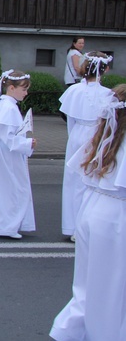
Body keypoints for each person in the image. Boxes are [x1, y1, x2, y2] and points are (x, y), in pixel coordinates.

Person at [50, 84, 126, 341]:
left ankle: (71, 332)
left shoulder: (104, 137)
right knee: (113, 291)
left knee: (88, 286)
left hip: (93, 210)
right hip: (116, 217)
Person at [58, 51, 113, 241]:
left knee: (73, 181)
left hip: (77, 134)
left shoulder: (73, 91)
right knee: (90, 181)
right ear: (104, 69)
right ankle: (85, 226)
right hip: (95, 136)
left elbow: (70, 121)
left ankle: (71, 225)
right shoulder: (108, 94)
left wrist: (74, 137)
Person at [0, 70, 37, 239]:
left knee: (2, 186)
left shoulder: (8, 105)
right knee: (10, 186)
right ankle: (4, 225)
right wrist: (28, 143)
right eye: (24, 89)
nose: (26, 93)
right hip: (6, 152)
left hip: (4, 150)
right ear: (11, 87)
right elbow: (8, 138)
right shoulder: (8, 107)